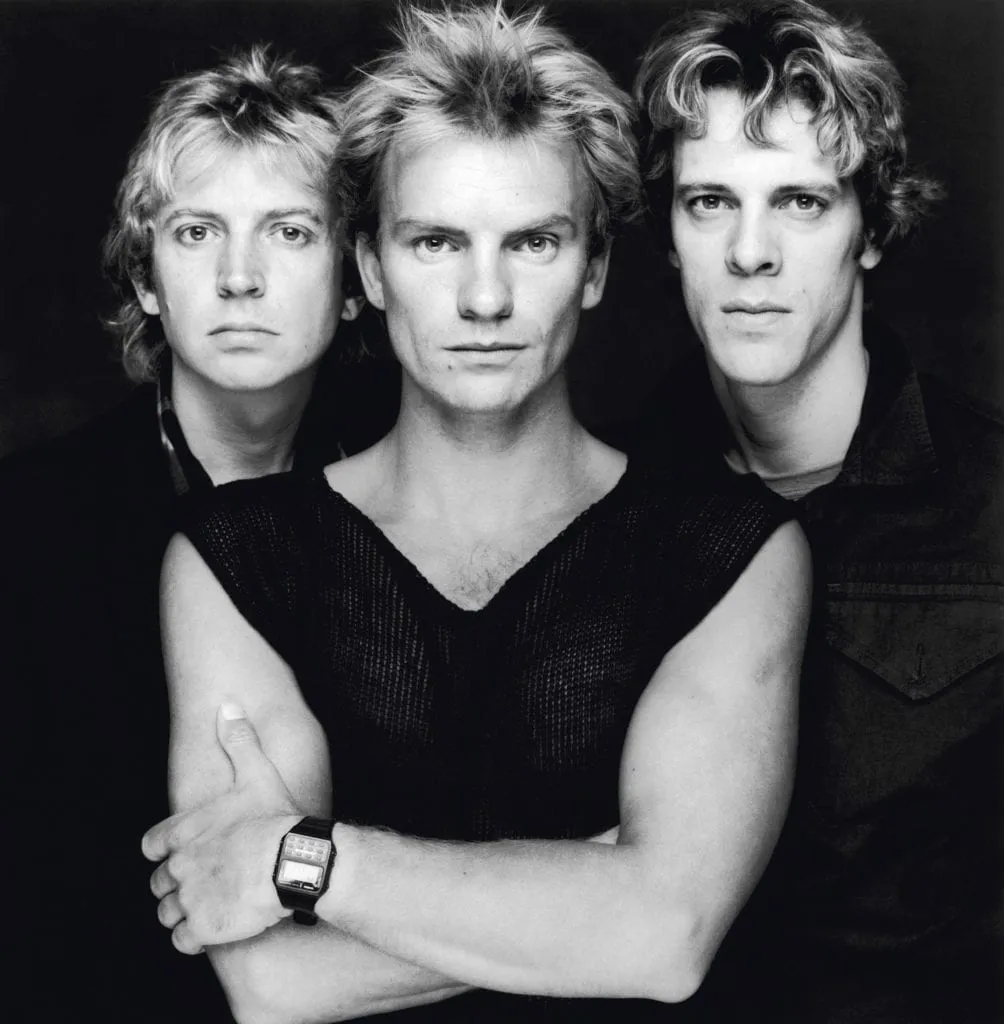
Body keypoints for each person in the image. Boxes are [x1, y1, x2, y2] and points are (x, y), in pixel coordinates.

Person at [139, 4, 810, 1022]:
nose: (483, 298)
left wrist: (306, 859)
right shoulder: (236, 560)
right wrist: (602, 886)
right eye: (436, 241)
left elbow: (663, 940)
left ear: (591, 267)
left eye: (532, 242)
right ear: (368, 266)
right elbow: (273, 978)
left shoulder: (730, 548)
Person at [630, 1, 1003, 1020]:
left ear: (869, 231)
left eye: (798, 202)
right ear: (667, 233)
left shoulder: (989, 507)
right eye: (708, 203)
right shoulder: (601, 502)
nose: (749, 253)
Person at [9, 47, 395, 1021]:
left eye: (289, 231)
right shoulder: (28, 531)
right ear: (146, 279)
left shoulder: (413, 496)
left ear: (354, 281)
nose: (238, 276)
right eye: (196, 232)